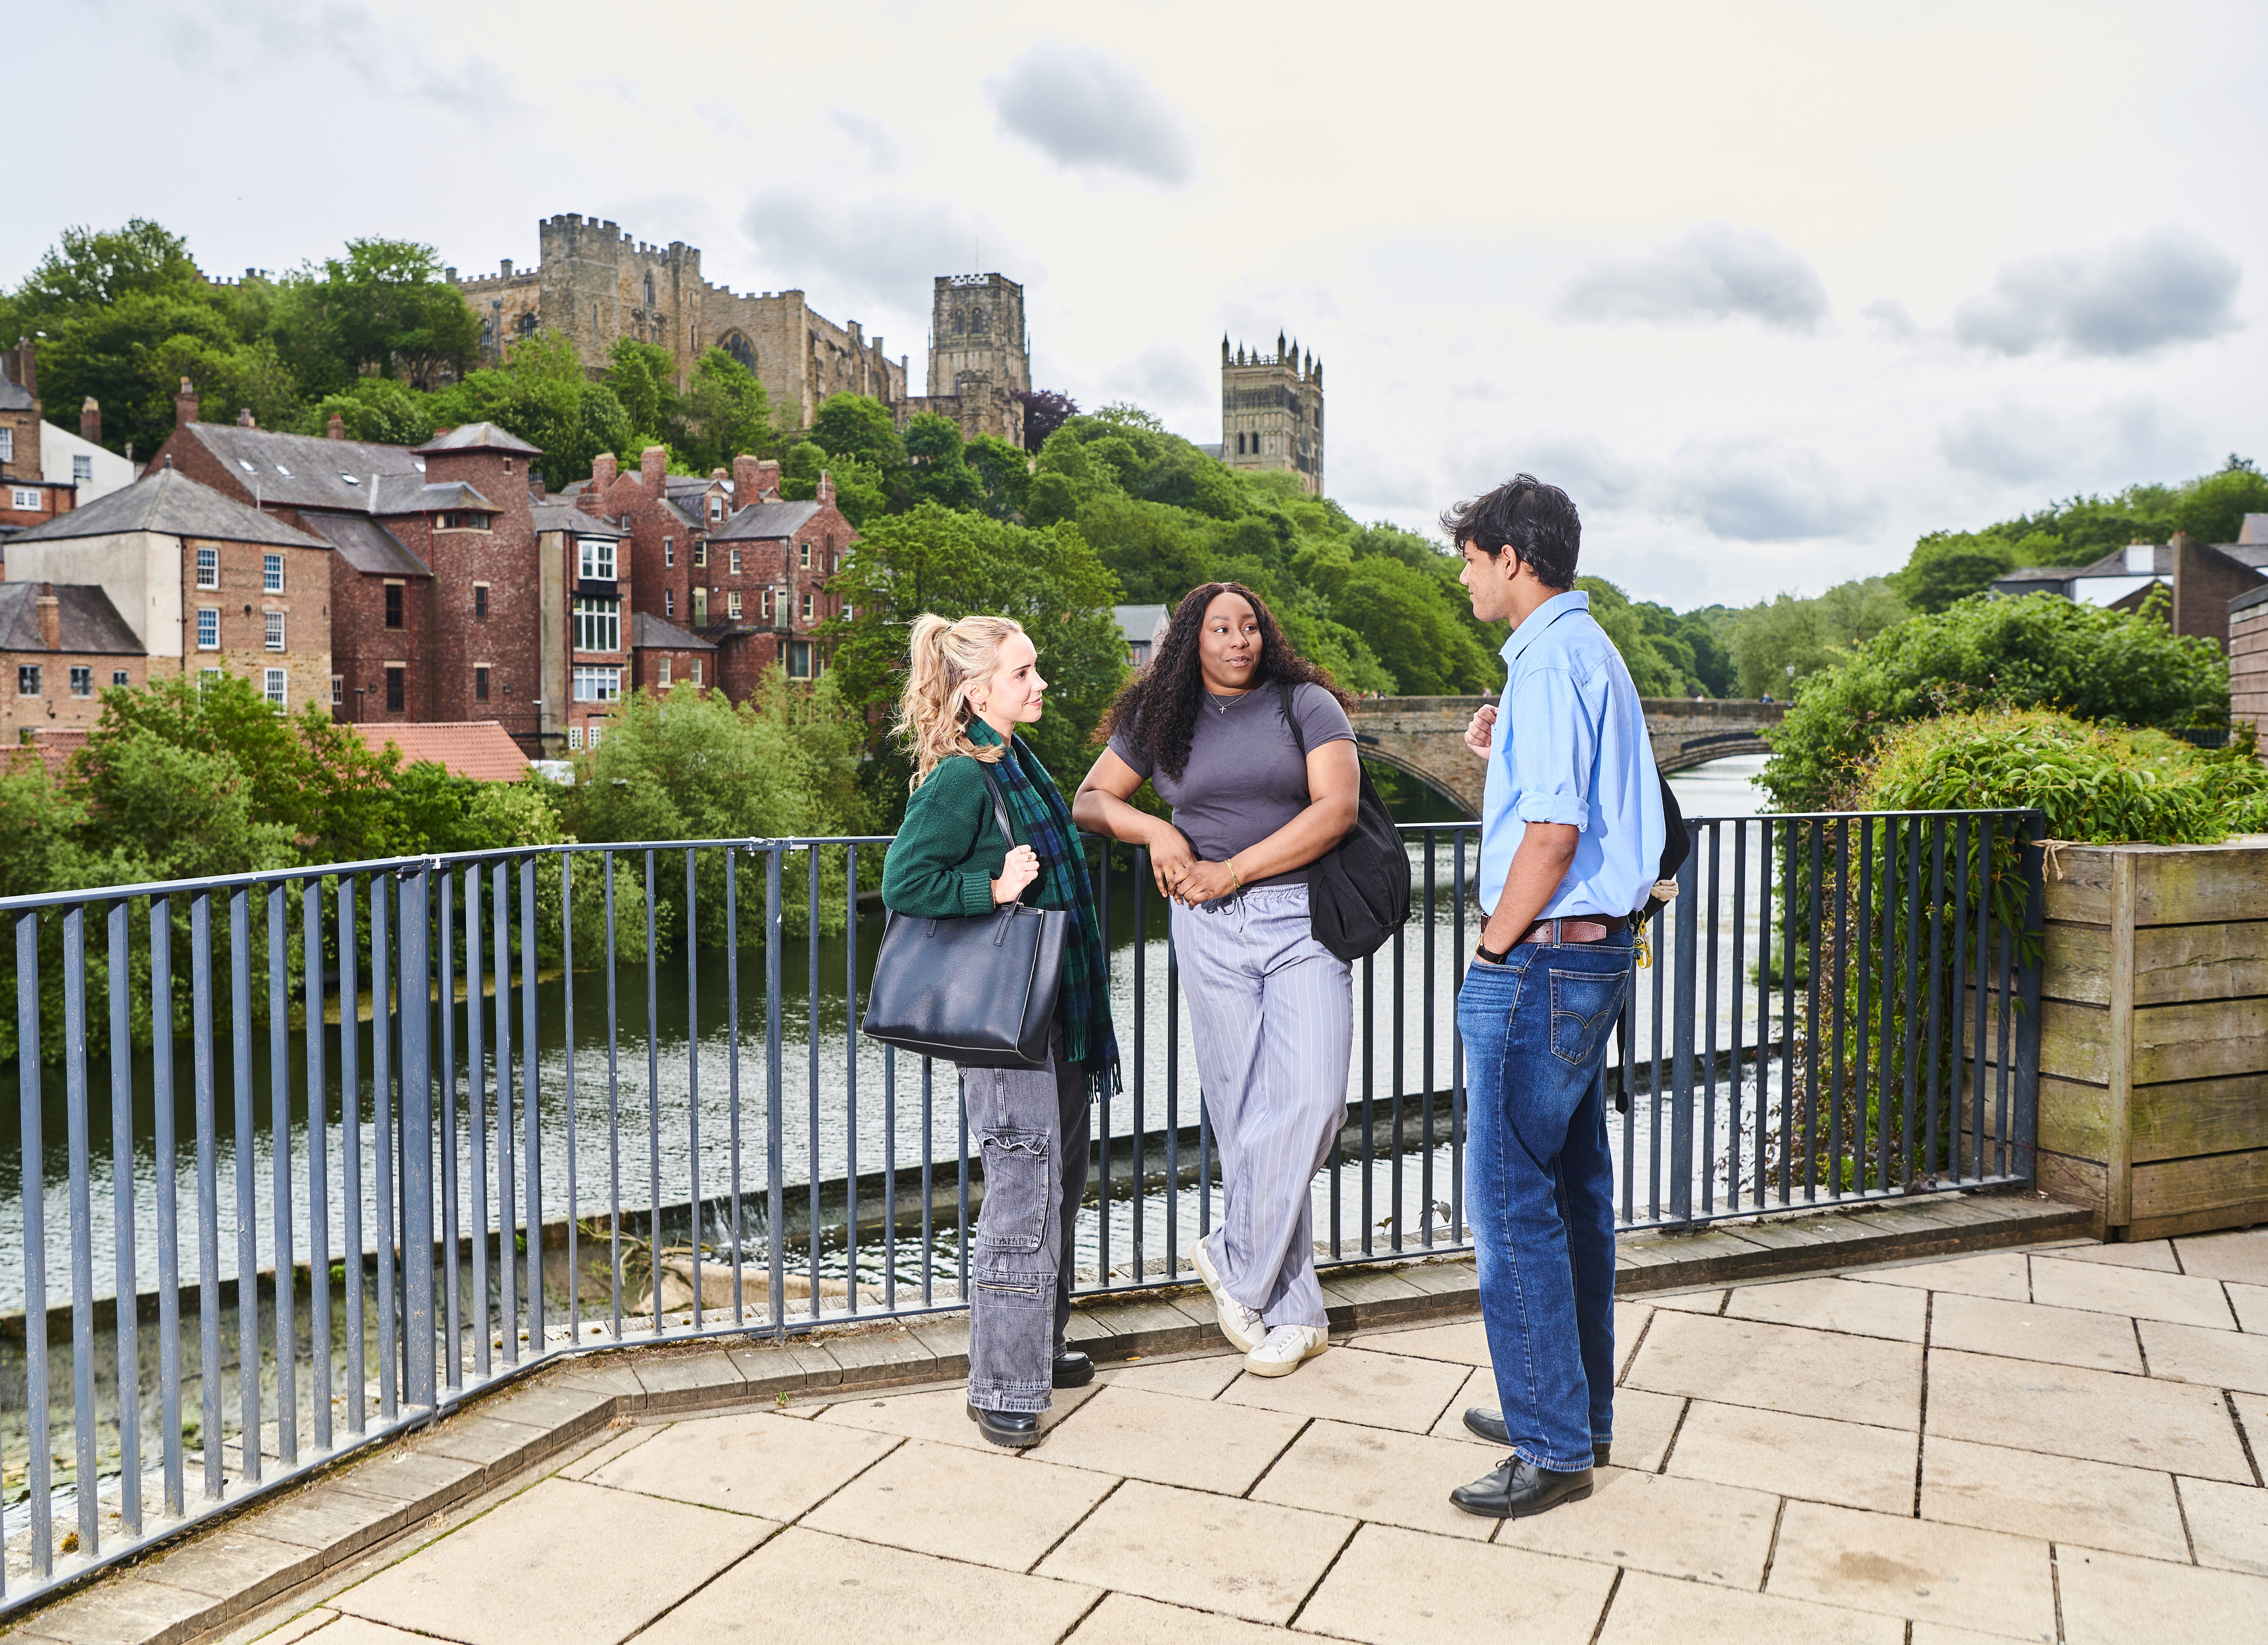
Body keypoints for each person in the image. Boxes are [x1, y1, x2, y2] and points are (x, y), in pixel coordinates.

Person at [1445, 475, 1664, 1520]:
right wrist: (1502, 752)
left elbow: (1551, 837)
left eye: (1471, 557)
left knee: (1508, 1197)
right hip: (1595, 955)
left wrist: (1491, 951)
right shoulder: (1590, 650)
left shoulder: (1544, 661)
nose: (1462, 575)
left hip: (1541, 960)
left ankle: (1547, 1446)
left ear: (1511, 560)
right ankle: (1573, 1410)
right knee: (1573, 1189)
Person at [1073, 582, 1360, 1377]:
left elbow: (1336, 809)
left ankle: (1236, 1256)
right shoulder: (1157, 719)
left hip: (1301, 917)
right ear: (1189, 641)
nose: (1240, 640)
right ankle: (1294, 1315)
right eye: (1221, 628)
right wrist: (1154, 828)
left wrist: (1233, 869)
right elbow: (1091, 800)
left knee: (1311, 1098)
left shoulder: (1307, 704)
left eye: (1251, 626)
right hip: (1207, 930)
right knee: (1244, 1117)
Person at [879, 613, 1119, 1448]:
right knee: (1023, 1197)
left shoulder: (1016, 758)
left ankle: (1039, 1347)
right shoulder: (960, 777)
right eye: (1024, 673)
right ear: (979, 691)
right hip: (1011, 1025)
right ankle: (1003, 1385)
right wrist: (990, 886)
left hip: (1057, 1018)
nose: (1040, 683)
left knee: (1059, 1186)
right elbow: (905, 880)